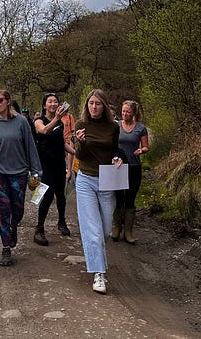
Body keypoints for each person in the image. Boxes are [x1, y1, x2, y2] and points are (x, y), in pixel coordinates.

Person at [0, 89, 42, 266]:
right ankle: (6, 247)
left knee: (18, 209)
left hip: (18, 171)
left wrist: (36, 171)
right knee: (4, 208)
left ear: (8, 102)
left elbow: (30, 147)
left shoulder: (21, 122)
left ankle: (13, 227)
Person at [74, 88, 122, 294]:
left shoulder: (113, 127)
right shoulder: (81, 125)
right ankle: (99, 274)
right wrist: (81, 142)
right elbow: (80, 156)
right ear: (87, 105)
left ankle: (94, 253)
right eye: (91, 103)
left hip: (107, 181)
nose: (94, 107)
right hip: (85, 180)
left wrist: (118, 158)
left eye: (98, 104)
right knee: (93, 232)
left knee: (104, 231)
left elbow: (115, 149)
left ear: (104, 106)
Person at [33, 93, 76, 246]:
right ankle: (39, 228)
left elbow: (62, 143)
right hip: (44, 164)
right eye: (50, 102)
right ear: (44, 105)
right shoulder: (39, 120)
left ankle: (62, 222)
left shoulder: (62, 123)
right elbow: (44, 131)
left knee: (61, 195)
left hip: (59, 162)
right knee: (47, 194)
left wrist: (76, 153)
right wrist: (57, 118)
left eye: (55, 101)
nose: (53, 104)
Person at [113, 100, 149, 245]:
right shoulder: (116, 126)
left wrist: (142, 150)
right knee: (118, 198)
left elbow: (146, 146)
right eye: (123, 111)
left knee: (130, 199)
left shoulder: (140, 128)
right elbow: (110, 144)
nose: (125, 114)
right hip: (118, 167)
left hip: (134, 167)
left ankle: (128, 231)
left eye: (128, 112)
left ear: (134, 113)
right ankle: (116, 228)